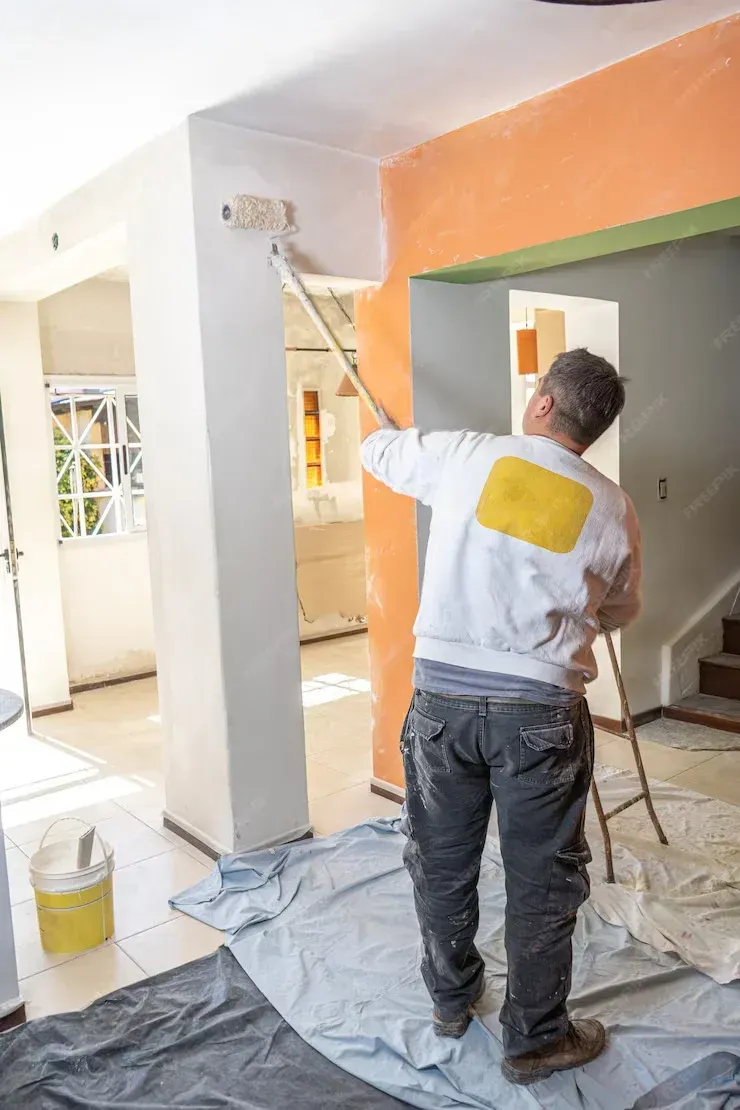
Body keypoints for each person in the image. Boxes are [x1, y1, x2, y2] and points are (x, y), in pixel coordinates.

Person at [361, 348, 641, 1087]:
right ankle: (534, 1038)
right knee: (543, 878)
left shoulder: (467, 457)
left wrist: (388, 432)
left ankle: (453, 1001)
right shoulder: (612, 506)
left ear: (544, 403)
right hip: (541, 713)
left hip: (442, 706)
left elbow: (378, 453)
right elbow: (620, 608)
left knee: (440, 857)